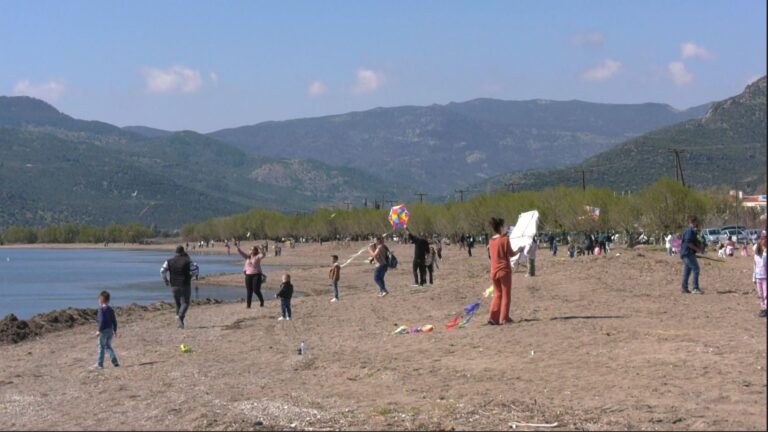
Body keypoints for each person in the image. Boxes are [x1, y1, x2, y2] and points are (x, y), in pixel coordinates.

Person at [487, 217, 524, 325]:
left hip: (493, 271)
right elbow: (511, 253)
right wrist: (519, 249)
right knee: (506, 295)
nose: (507, 227)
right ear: (501, 227)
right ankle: (504, 318)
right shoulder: (505, 239)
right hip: (504, 271)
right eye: (505, 225)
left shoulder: (491, 240)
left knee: (497, 294)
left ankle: (493, 317)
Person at [161, 246, 193, 328]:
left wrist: (165, 280)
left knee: (178, 303)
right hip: (185, 284)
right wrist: (190, 276)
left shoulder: (169, 261)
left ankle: (180, 322)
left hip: (173, 285)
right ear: (183, 252)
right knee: (185, 302)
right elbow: (194, 270)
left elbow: (162, 271)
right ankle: (180, 317)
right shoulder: (187, 260)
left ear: (175, 252)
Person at [92, 290, 119, 369]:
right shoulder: (110, 309)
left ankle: (99, 364)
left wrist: (98, 330)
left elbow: (101, 321)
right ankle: (115, 361)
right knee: (108, 346)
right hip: (110, 330)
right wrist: (115, 330)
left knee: (101, 347)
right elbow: (114, 320)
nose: (98, 301)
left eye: (98, 299)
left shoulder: (101, 310)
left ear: (101, 299)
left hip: (103, 331)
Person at [236, 242, 266, 309]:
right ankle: (248, 306)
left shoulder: (257, 257)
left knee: (256, 290)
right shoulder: (247, 257)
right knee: (249, 291)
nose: (250, 250)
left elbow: (263, 254)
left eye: (252, 249)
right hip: (248, 275)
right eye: (250, 249)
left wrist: (260, 248)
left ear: (255, 251)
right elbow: (240, 252)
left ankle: (262, 301)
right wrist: (237, 247)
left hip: (257, 275)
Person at [680, 216, 704, 294]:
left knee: (687, 271)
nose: (697, 224)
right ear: (693, 222)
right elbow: (688, 243)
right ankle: (695, 288)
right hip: (687, 253)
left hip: (687, 253)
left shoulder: (692, 231)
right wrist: (697, 249)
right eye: (696, 222)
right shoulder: (689, 231)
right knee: (696, 269)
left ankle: (684, 288)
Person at [753, 238, 767, 317]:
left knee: (765, 294)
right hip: (758, 277)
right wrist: (754, 277)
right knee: (760, 294)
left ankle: (766, 309)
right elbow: (754, 267)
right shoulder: (755, 256)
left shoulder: (765, 256)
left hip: (765, 277)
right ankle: (763, 308)